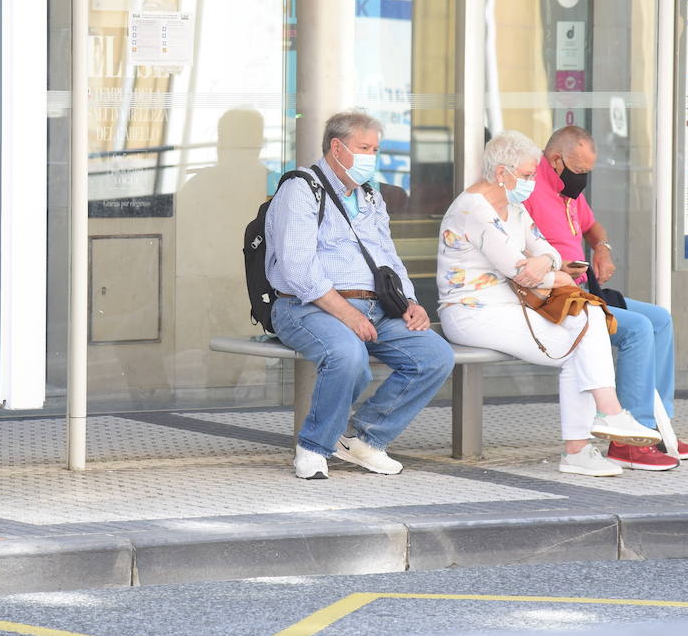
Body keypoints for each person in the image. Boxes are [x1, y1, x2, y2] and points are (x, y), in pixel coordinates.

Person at [437, 130, 662, 478]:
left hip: (509, 306)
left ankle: (596, 429)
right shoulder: (474, 210)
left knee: (588, 316)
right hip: (472, 312)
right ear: (502, 173)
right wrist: (555, 273)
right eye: (527, 175)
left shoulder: (511, 207)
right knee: (581, 338)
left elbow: (547, 252)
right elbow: (520, 271)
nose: (530, 182)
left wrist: (547, 266)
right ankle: (590, 435)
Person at [265, 111, 455, 480]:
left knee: (435, 355)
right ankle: (314, 446)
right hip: (306, 305)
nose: (372, 157)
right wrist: (347, 314)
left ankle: (366, 439)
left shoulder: (369, 195)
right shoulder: (301, 189)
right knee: (348, 355)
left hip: (375, 308)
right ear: (337, 148)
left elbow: (388, 257)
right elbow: (298, 269)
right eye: (364, 148)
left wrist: (410, 302)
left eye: (376, 149)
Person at [522, 125, 688, 472]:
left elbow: (592, 227)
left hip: (588, 290)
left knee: (660, 319)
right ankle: (626, 444)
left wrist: (601, 248)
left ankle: (653, 429)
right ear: (557, 160)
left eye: (588, 172)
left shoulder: (568, 190)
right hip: (556, 296)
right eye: (580, 171)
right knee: (637, 329)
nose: (583, 179)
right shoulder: (530, 189)